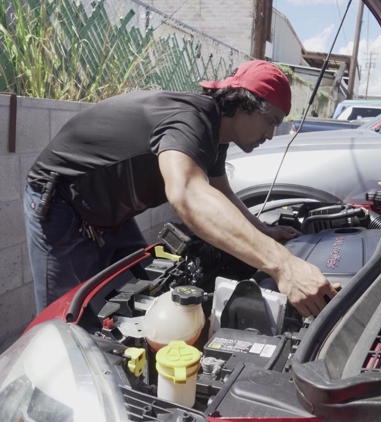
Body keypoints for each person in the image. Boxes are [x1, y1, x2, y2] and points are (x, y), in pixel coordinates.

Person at [24, 60, 340, 316]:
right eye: (271, 120)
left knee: (138, 294)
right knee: (66, 318)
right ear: (244, 105)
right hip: (62, 204)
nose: (272, 134)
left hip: (109, 214)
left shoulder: (216, 136)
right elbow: (187, 194)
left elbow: (222, 193)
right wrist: (283, 266)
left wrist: (263, 231)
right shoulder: (192, 119)